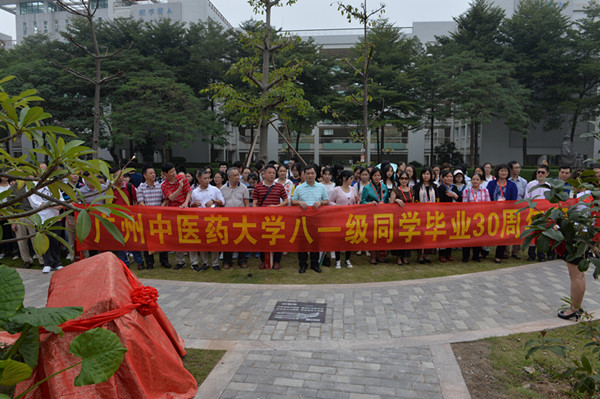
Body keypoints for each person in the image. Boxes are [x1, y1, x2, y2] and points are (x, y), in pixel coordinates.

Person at [291, 164, 329, 274]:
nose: (310, 175)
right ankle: (302, 265)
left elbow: (327, 201)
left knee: (315, 243)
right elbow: (292, 201)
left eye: (312, 173)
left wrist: (320, 202)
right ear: (304, 175)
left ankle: (315, 264)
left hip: (316, 220)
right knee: (302, 243)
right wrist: (299, 202)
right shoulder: (299, 187)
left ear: (316, 174)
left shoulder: (321, 187)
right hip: (302, 220)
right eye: (308, 173)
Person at [253, 165, 289, 270]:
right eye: (269, 173)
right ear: (263, 174)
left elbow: (286, 201)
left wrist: (276, 207)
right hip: (262, 218)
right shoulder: (258, 187)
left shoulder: (279, 186)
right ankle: (264, 260)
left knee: (276, 239)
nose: (271, 175)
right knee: (262, 239)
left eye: (273, 173)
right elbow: (255, 202)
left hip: (276, 218)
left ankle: (277, 261)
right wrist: (257, 212)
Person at [137, 165, 172, 270]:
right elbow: (141, 203)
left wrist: (160, 209)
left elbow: (165, 199)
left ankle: (164, 261)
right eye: (151, 173)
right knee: (148, 240)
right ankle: (149, 262)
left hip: (160, 217)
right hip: (147, 218)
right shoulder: (141, 187)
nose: (153, 175)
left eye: (154, 173)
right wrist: (150, 212)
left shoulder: (160, 186)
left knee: (162, 239)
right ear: (145, 175)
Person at [190, 170, 225, 271]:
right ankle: (205, 262)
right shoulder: (195, 192)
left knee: (213, 241)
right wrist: (193, 205)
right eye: (204, 178)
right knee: (202, 242)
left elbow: (222, 201)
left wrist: (213, 201)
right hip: (200, 220)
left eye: (208, 178)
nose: (207, 180)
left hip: (212, 219)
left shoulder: (214, 190)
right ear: (199, 179)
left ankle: (215, 263)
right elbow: (191, 205)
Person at [111, 168, 145, 269]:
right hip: (116, 219)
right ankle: (124, 263)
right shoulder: (110, 190)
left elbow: (135, 201)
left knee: (133, 240)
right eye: (117, 176)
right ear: (113, 178)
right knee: (119, 241)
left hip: (129, 218)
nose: (120, 178)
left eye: (121, 175)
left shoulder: (130, 187)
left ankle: (139, 261)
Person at [161, 162, 192, 269]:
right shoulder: (164, 185)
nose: (174, 173)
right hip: (173, 213)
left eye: (174, 171)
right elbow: (171, 198)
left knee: (190, 234)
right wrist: (179, 187)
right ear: (165, 174)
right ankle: (180, 261)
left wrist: (186, 203)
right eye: (171, 172)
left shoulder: (182, 178)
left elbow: (188, 192)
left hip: (186, 210)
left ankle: (194, 261)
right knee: (177, 237)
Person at [486, 164, 518, 263]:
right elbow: (488, 197)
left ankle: (498, 255)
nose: (503, 173)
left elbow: (514, 199)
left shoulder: (512, 185)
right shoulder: (491, 184)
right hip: (493, 213)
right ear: (497, 172)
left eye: (505, 171)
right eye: (501, 171)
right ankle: (483, 252)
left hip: (506, 213)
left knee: (503, 234)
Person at [28, 184, 63, 274]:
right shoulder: (31, 185)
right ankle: (47, 263)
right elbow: (34, 204)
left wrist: (59, 205)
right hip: (42, 219)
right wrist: (52, 206)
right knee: (43, 242)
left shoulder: (53, 183)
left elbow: (61, 199)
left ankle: (56, 262)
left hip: (55, 218)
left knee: (55, 241)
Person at [221, 167, 250, 269]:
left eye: (238, 175)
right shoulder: (223, 188)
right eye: (234, 175)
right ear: (229, 177)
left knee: (241, 239)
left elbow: (246, 203)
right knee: (227, 240)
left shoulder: (244, 188)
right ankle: (227, 261)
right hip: (227, 218)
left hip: (240, 218)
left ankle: (242, 260)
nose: (237, 177)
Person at [329, 170, 358, 269]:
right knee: (338, 239)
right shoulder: (336, 190)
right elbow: (329, 201)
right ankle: (338, 260)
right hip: (339, 218)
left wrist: (357, 201)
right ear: (344, 178)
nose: (352, 180)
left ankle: (347, 259)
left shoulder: (353, 189)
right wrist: (335, 205)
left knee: (349, 239)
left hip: (350, 218)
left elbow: (355, 204)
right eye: (350, 178)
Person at [361, 167, 389, 265]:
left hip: (383, 215)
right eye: (375, 175)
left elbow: (387, 201)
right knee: (372, 235)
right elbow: (362, 202)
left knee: (380, 235)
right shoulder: (367, 188)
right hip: (371, 215)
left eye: (378, 175)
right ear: (371, 177)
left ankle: (379, 255)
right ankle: (373, 256)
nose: (377, 177)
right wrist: (370, 203)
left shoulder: (384, 187)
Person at [524, 164, 552, 261]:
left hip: (545, 214)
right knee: (532, 233)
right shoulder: (530, 184)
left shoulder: (550, 186)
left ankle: (541, 255)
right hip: (533, 212)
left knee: (543, 234)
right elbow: (527, 198)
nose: (540, 174)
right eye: (538, 172)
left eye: (542, 172)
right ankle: (531, 255)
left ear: (547, 174)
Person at [461, 173, 490, 262]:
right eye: (473, 179)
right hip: (469, 217)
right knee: (467, 238)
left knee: (478, 237)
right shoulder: (466, 191)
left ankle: (476, 256)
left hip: (480, 217)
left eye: (477, 180)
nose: (475, 181)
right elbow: (464, 205)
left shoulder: (485, 191)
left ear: (481, 181)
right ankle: (465, 256)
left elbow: (489, 204)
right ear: (471, 181)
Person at [437, 169, 461, 262]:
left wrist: (454, 195)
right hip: (443, 215)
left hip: (454, 214)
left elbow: (460, 198)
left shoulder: (454, 188)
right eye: (447, 176)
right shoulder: (440, 189)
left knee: (451, 234)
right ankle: (442, 254)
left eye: (451, 176)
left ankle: (449, 253)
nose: (449, 178)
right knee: (443, 234)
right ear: (442, 178)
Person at [390, 171, 414, 265]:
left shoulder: (411, 190)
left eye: (406, 178)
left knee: (407, 237)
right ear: (399, 179)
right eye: (402, 178)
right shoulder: (395, 190)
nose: (404, 180)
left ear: (408, 180)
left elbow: (413, 204)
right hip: (398, 217)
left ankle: (405, 256)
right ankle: (398, 257)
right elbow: (391, 203)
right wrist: (396, 200)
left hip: (409, 217)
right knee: (399, 237)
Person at [414, 167, 437, 264]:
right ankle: (420, 255)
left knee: (430, 235)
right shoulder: (417, 186)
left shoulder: (434, 186)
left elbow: (438, 199)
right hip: (421, 214)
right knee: (421, 235)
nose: (426, 176)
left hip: (432, 214)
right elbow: (415, 200)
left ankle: (427, 255)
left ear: (431, 175)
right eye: (424, 174)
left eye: (428, 174)